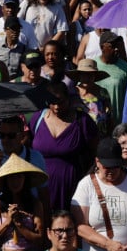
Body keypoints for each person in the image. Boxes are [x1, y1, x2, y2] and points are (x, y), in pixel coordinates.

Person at [34, 80, 100, 211]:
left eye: (61, 102)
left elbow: (97, 154)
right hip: (40, 189)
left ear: (68, 99)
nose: (57, 107)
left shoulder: (82, 121)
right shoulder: (37, 119)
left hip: (73, 187)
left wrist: (86, 180)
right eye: (52, 103)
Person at [0, 153, 48, 251]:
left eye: (19, 177)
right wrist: (7, 222)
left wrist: (19, 224)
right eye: (11, 177)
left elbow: (40, 239)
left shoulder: (35, 204)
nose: (15, 181)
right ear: (5, 180)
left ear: (25, 179)